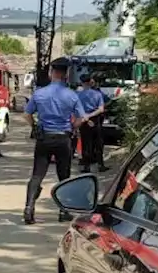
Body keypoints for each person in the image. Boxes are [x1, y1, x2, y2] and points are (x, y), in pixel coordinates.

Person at [23, 57, 86, 224]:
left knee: (37, 174)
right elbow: (81, 118)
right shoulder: (72, 95)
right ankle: (63, 211)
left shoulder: (39, 93)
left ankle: (29, 208)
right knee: (64, 176)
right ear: (66, 75)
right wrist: (72, 128)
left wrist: (34, 127)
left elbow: (27, 114)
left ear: (52, 73)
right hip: (63, 139)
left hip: (44, 138)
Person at [76, 75, 108, 173]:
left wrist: (85, 117)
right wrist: (91, 116)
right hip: (95, 120)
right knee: (98, 143)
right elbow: (101, 109)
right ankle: (100, 165)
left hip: (83, 120)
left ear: (81, 83)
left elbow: (76, 110)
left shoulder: (78, 95)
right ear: (91, 82)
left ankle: (86, 167)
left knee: (86, 144)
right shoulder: (98, 94)